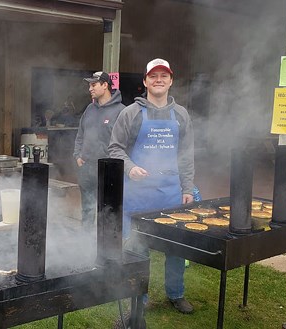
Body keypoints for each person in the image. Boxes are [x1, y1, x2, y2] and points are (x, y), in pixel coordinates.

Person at [109, 58, 196, 314]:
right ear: (145, 81)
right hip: (138, 196)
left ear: (171, 81)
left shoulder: (181, 115)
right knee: (137, 250)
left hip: (170, 194)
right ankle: (139, 299)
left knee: (176, 249)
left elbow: (186, 155)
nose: (159, 80)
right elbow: (115, 148)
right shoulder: (131, 113)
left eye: (164, 76)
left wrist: (187, 188)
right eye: (153, 76)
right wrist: (130, 167)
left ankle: (176, 293)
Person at [73, 71, 125, 227]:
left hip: (108, 170)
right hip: (86, 167)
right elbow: (80, 134)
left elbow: (125, 142)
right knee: (87, 210)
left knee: (107, 210)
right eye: (89, 85)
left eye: (93, 85)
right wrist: (77, 156)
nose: (90, 88)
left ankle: (106, 246)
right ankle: (85, 241)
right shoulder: (90, 108)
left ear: (105, 85)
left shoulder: (121, 111)